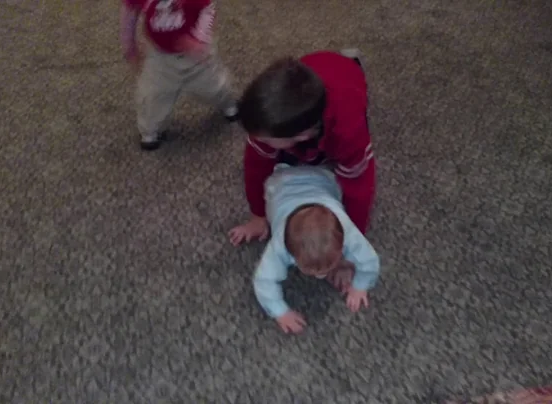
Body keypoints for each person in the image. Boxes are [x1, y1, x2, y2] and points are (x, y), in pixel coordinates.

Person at [228, 49, 375, 245]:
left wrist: (352, 243)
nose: (255, 140)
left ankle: (353, 61)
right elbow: (255, 166)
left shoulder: (348, 131)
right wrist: (258, 215)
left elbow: (360, 189)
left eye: (266, 139)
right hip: (312, 68)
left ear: (302, 135)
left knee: (328, 163)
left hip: (347, 78)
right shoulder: (267, 119)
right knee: (277, 157)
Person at [253, 164, 380, 334]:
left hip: (322, 178)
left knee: (337, 186)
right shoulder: (279, 245)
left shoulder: (347, 231)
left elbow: (369, 260)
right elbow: (263, 280)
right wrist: (280, 312)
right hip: (279, 185)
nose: (320, 276)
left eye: (326, 268)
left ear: (343, 244)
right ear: (289, 252)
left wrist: (360, 285)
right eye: (311, 270)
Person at [120, 0, 238, 150]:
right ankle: (150, 130)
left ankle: (228, 103)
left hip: (195, 56)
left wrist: (199, 39)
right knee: (152, 96)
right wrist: (128, 42)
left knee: (214, 86)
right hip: (160, 56)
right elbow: (130, 10)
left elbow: (208, 10)